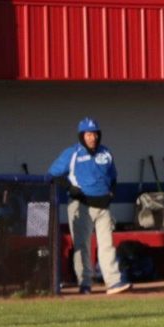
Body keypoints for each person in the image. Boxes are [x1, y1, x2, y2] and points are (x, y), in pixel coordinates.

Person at [48, 117, 132, 295]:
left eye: (94, 134)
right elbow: (53, 173)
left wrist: (111, 193)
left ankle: (113, 282)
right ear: (81, 136)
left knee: (107, 244)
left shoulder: (106, 153)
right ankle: (85, 283)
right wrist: (70, 188)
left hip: (103, 206)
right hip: (81, 206)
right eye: (88, 134)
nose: (92, 138)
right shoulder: (72, 153)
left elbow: (113, 176)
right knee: (82, 246)